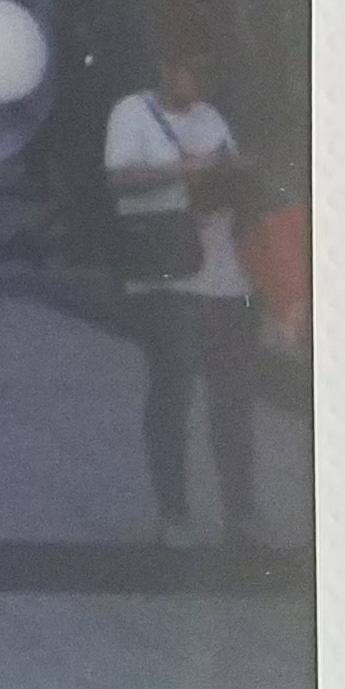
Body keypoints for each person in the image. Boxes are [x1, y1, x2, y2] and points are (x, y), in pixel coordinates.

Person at [103, 47, 262, 547]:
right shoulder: (132, 113)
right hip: (167, 276)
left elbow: (234, 176)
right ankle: (173, 513)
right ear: (169, 69)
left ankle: (240, 512)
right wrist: (180, 172)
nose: (197, 86)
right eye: (192, 72)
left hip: (222, 273)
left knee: (233, 399)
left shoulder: (213, 117)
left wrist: (232, 174)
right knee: (172, 392)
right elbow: (117, 178)